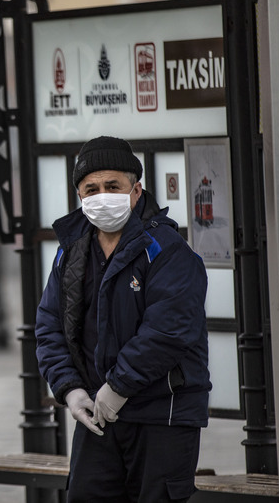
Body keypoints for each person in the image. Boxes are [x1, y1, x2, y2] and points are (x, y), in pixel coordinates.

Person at [34, 136, 210, 503]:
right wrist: (69, 389)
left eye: (112, 186)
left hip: (162, 414)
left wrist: (118, 387)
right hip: (98, 415)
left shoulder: (167, 249)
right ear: (80, 196)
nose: (101, 196)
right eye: (91, 189)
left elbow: (169, 331)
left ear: (136, 189)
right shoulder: (71, 253)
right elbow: (49, 325)